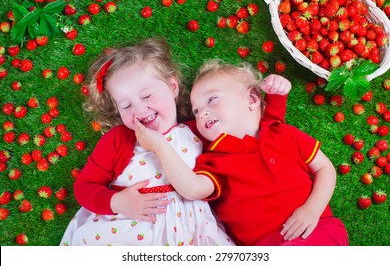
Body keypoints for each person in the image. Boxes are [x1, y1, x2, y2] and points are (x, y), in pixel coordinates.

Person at [60, 38, 285, 246]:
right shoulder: (119, 139)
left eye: (147, 96)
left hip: (192, 231)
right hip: (131, 230)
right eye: (126, 106)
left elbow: (252, 133)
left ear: (173, 87)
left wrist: (275, 98)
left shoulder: (200, 131)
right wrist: (117, 202)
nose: (139, 109)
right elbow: (85, 187)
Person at [135, 59, 349, 246]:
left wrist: (312, 210)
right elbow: (192, 189)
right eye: (196, 110)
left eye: (212, 99)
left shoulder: (282, 134)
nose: (202, 114)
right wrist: (160, 146)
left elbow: (325, 168)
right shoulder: (215, 160)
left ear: (252, 100)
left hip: (314, 231)